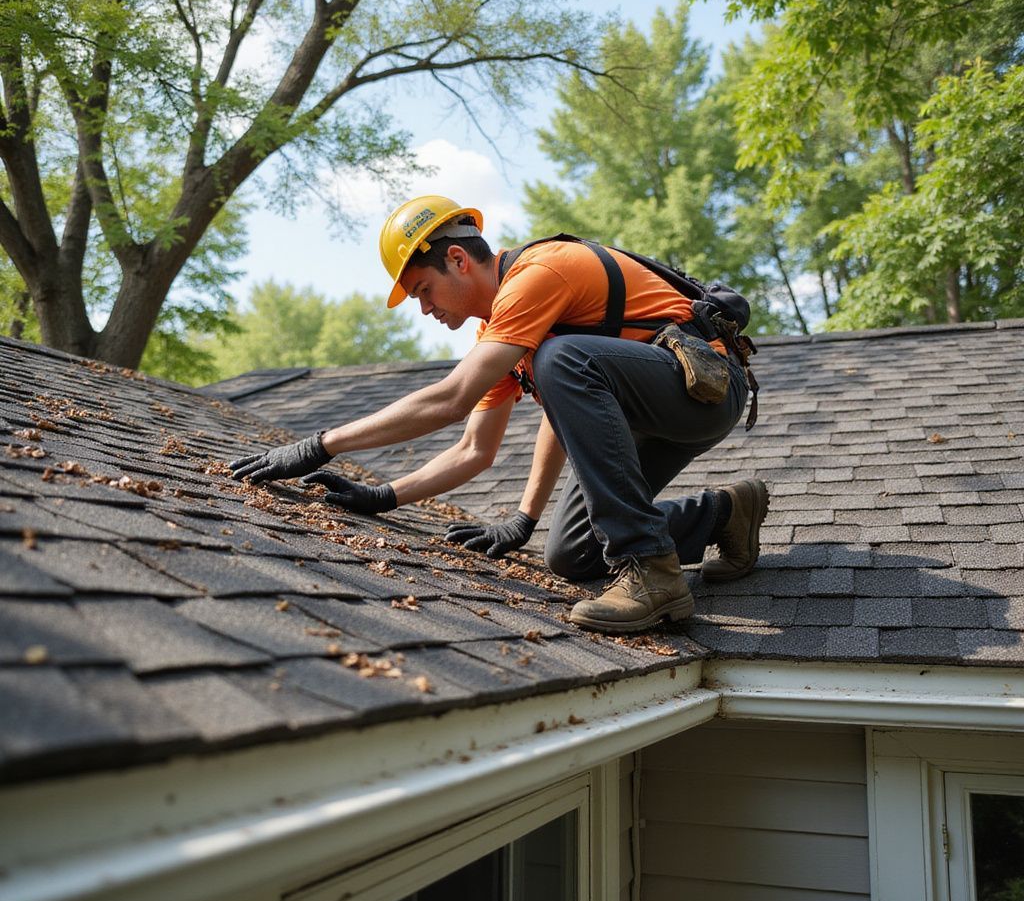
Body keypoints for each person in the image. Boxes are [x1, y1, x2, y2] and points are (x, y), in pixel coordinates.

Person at [230, 195, 768, 634]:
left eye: (423, 289)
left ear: (458, 260)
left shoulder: (541, 275)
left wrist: (320, 445)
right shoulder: (501, 331)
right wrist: (388, 497)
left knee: (563, 358)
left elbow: (452, 397)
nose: (424, 308)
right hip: (640, 413)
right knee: (573, 554)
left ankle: (653, 573)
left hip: (706, 389)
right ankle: (726, 514)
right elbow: (475, 448)